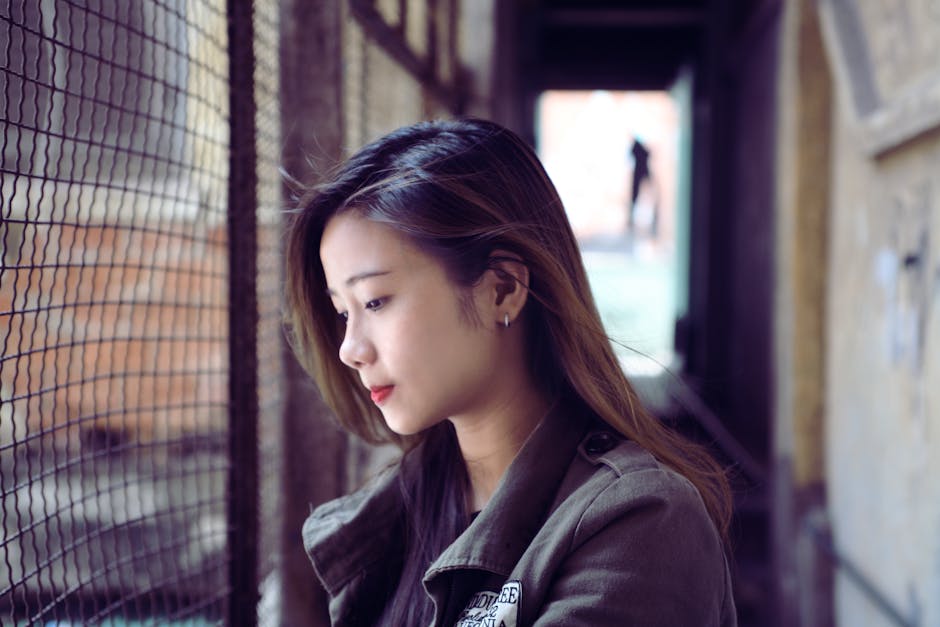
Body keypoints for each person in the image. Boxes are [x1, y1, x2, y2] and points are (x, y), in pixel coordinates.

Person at [285, 118, 736, 626]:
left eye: (376, 300)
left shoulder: (645, 521)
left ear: (502, 287)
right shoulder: (397, 514)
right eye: (344, 312)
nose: (349, 349)